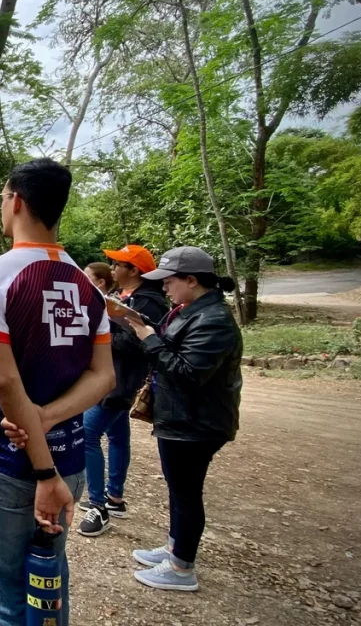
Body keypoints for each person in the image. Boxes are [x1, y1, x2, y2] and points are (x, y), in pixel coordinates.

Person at [0, 158, 115, 626]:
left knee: (9, 597)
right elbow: (103, 375)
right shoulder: (86, 287)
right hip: (70, 461)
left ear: (17, 201)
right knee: (48, 583)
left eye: (3, 198)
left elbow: (7, 381)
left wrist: (40, 463)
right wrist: (48, 418)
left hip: (10, 462)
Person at [124, 246, 242, 592]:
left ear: (191, 280)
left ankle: (181, 568)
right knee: (179, 490)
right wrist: (143, 327)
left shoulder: (214, 320)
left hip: (196, 423)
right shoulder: (190, 310)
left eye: (170, 281)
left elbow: (187, 372)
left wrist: (148, 339)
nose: (164, 288)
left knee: (187, 492)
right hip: (181, 418)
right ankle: (177, 545)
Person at [77, 245, 169, 537]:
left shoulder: (149, 303)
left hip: (120, 381)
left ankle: (97, 505)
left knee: (87, 434)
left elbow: (134, 343)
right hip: (114, 376)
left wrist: (96, 333)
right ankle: (114, 497)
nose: (112, 267)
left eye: (118, 263)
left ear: (135, 271)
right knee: (117, 435)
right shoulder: (126, 298)